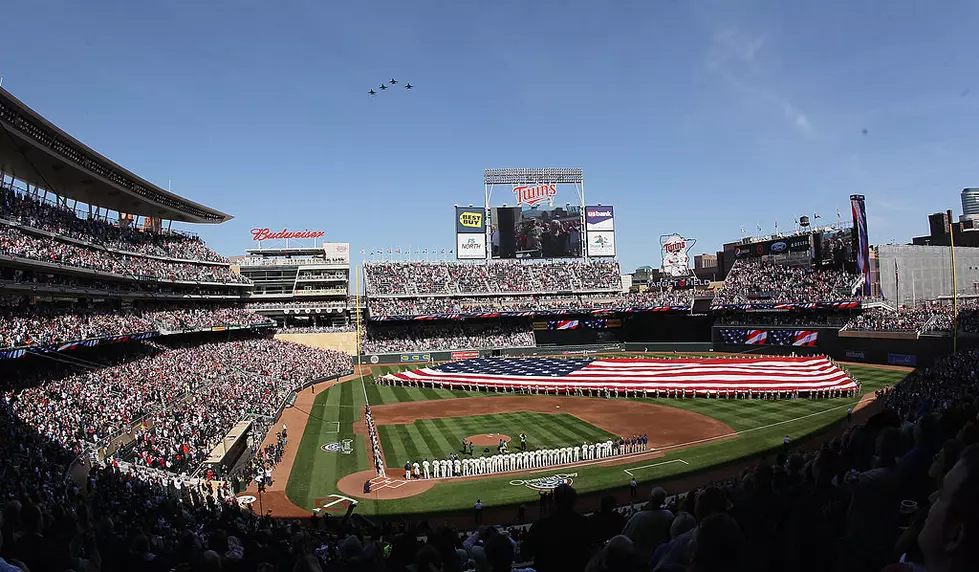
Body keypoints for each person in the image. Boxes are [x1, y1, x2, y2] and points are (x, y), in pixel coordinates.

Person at [622, 486, 674, 564]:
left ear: (650, 498)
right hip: (662, 558)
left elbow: (625, 536)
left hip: (642, 559)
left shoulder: (638, 517)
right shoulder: (669, 515)